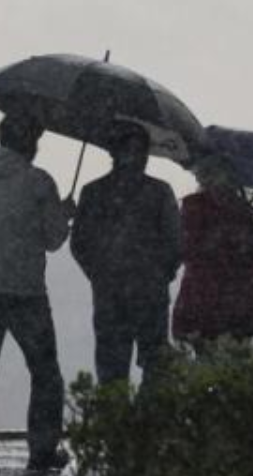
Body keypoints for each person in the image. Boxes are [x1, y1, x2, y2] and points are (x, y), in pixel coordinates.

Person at [0, 113, 75, 476]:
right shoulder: (38, 182)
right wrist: (65, 214)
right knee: (44, 373)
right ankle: (41, 451)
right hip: (24, 291)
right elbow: (53, 240)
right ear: (28, 142)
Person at [71, 124, 181, 386]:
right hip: (149, 292)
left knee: (113, 369)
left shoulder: (93, 192)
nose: (139, 157)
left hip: (112, 293)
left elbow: (80, 244)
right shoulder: (159, 192)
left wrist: (98, 274)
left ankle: (115, 422)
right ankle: (149, 421)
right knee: (155, 366)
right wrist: (162, 273)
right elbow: (175, 242)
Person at [172, 154, 253, 351]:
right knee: (232, 358)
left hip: (209, 297)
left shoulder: (196, 209)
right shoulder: (240, 211)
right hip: (232, 298)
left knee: (212, 358)